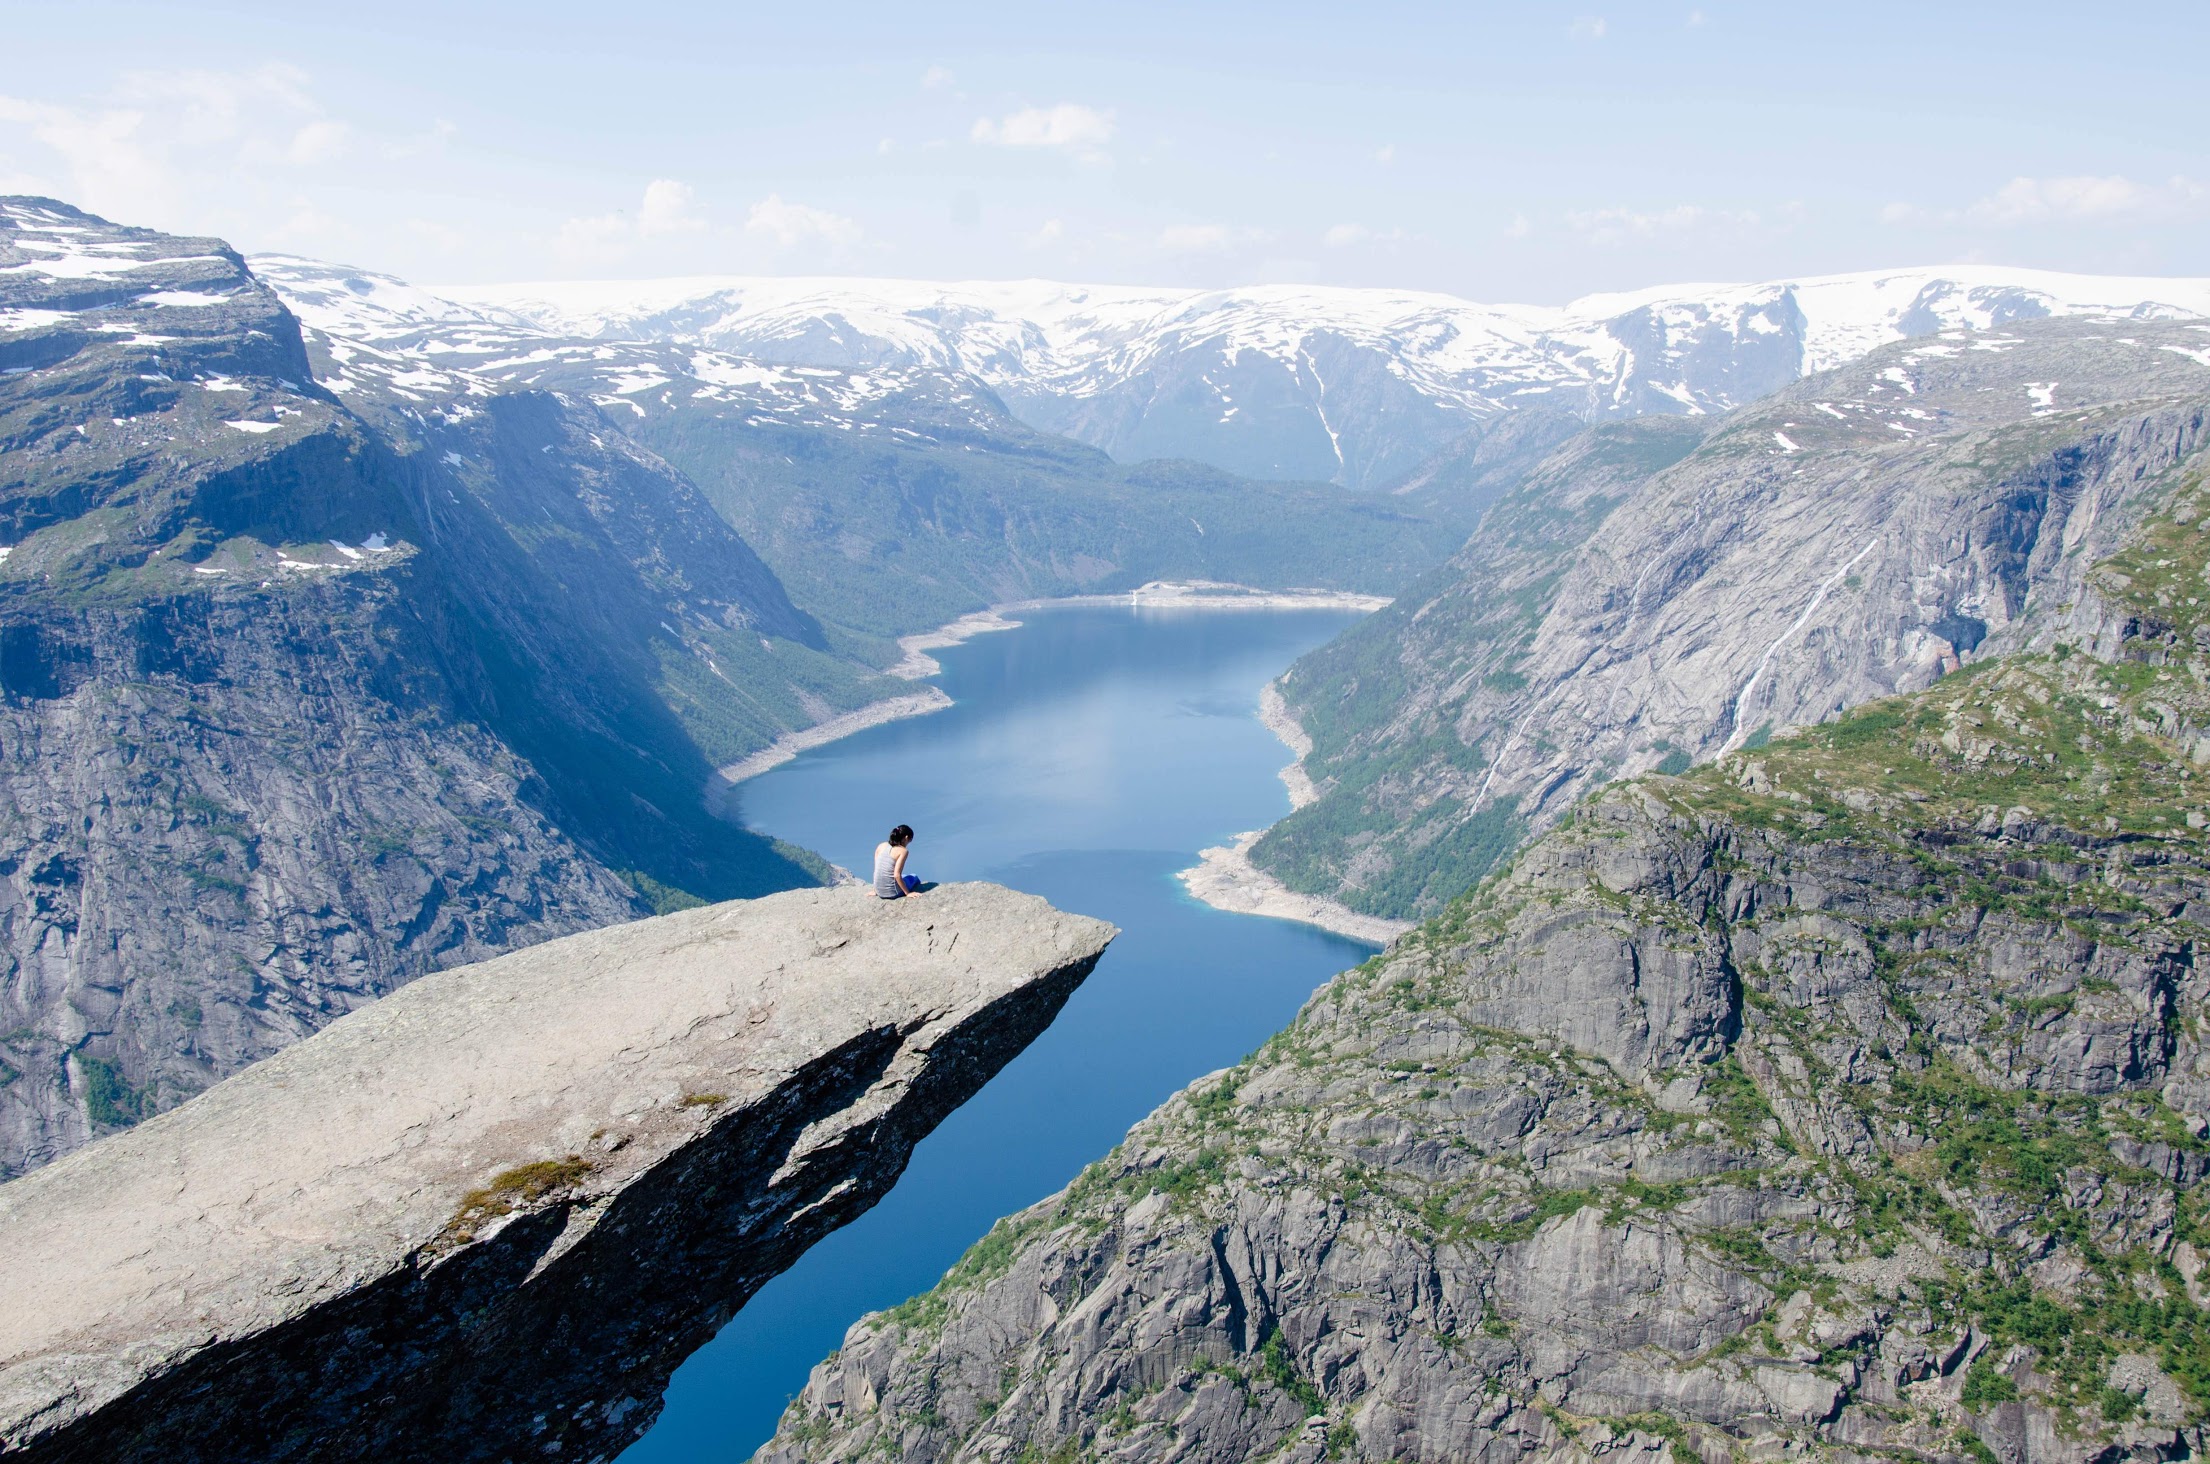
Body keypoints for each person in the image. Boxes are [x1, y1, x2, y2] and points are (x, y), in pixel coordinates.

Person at [873, 824, 923, 898]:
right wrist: (907, 893)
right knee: (914, 877)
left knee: (904, 876)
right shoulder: (903, 851)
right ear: (906, 838)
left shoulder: (881, 845)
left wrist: (875, 890)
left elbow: (877, 870)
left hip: (878, 891)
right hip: (893, 892)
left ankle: (877, 889)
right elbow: (896, 875)